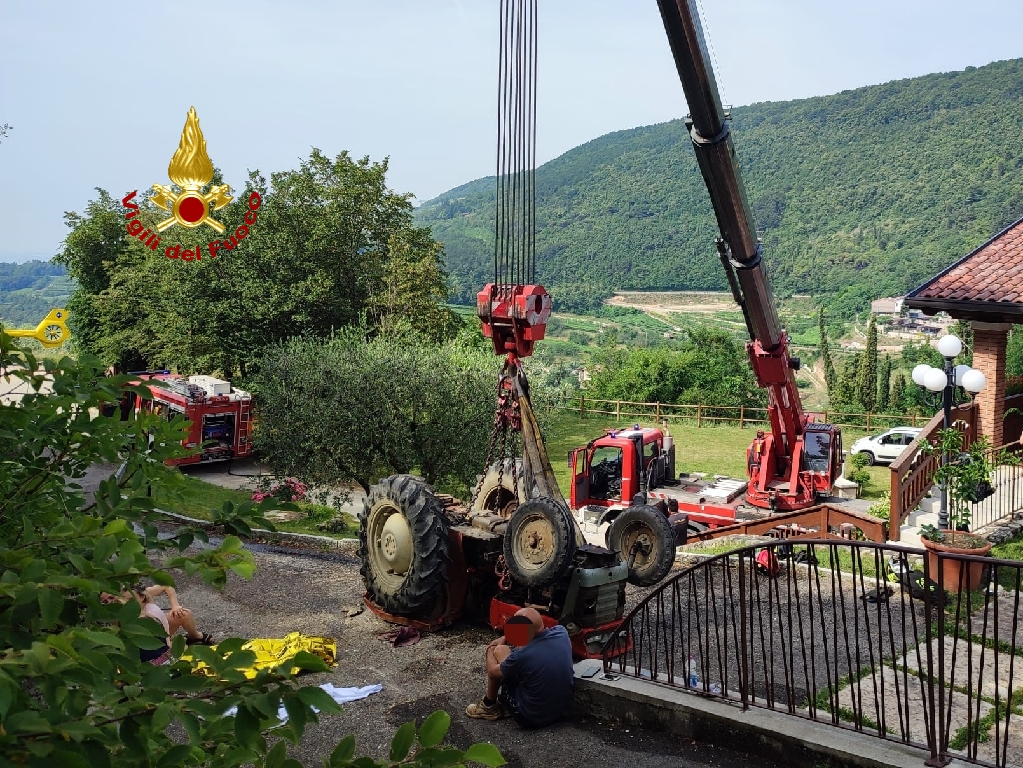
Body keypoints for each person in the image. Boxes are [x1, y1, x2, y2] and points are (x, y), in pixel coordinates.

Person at [465, 607, 574, 728]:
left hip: (529, 717)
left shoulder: (522, 656)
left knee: (501, 650)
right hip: (559, 711)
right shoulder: (561, 633)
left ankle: (488, 706)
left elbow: (493, 672)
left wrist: (490, 649)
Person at [101, 583, 215, 665]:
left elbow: (166, 585)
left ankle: (195, 636)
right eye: (105, 601)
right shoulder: (119, 613)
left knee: (184, 614)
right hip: (149, 641)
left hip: (159, 633)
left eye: (111, 598)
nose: (110, 603)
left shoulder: (130, 596)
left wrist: (175, 605)